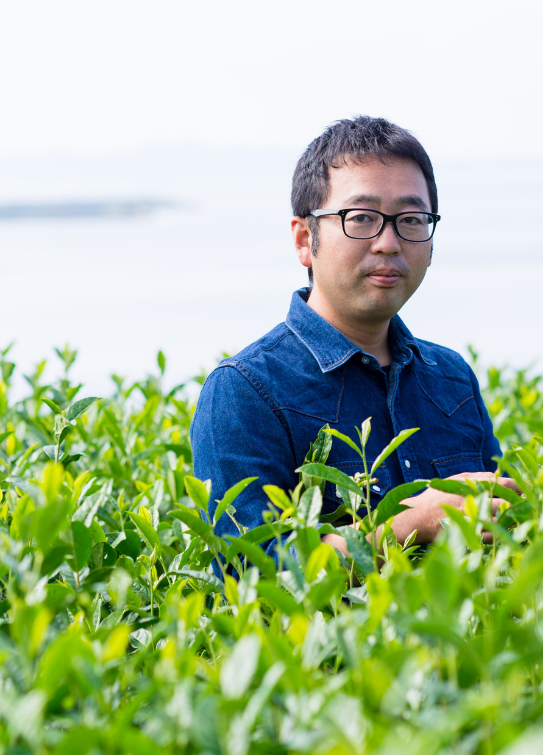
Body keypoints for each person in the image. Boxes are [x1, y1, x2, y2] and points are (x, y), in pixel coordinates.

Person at [191, 116, 516, 561]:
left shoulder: (451, 376)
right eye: (361, 218)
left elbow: (507, 531)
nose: (388, 242)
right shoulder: (244, 391)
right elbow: (249, 571)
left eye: (411, 219)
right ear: (304, 239)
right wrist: (406, 525)